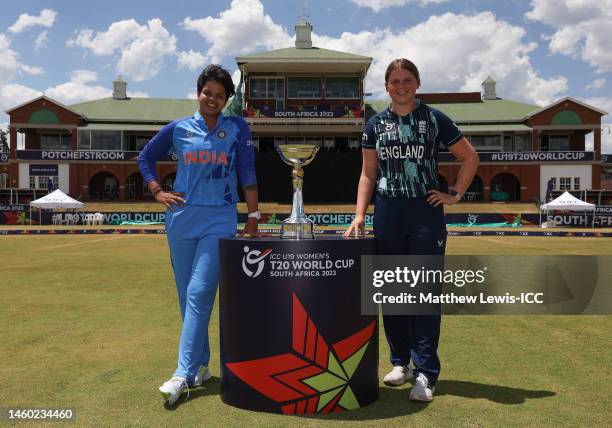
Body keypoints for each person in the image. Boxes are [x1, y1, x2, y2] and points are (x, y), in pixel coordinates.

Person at [345, 58, 479, 401]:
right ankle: (399, 362)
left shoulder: (434, 119)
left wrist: (455, 195)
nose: (401, 86)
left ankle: (425, 373)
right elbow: (367, 174)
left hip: (424, 212)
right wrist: (360, 215)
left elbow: (470, 157)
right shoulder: (375, 124)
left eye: (407, 80)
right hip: (388, 212)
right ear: (386, 86)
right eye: (394, 81)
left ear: (417, 84)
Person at [138, 64, 261, 406]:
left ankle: (182, 374)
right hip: (181, 218)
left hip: (220, 218)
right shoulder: (179, 128)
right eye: (208, 92)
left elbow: (247, 171)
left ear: (227, 100)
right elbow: (146, 157)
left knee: (199, 291)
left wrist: (252, 215)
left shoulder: (236, 127)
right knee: (185, 295)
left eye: (220, 96)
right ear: (199, 92)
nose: (213, 99)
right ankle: (201, 366)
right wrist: (156, 190)